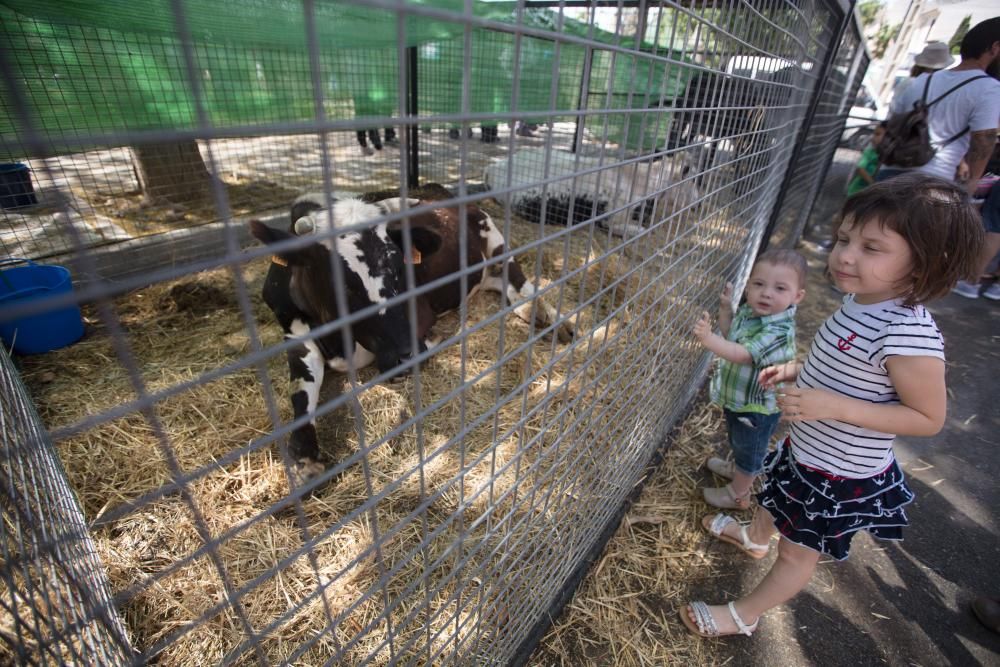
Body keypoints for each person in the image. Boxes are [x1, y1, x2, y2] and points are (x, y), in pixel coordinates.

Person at [681, 173, 984, 638]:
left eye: (871, 247)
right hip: (808, 448)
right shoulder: (860, 300)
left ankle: (743, 615)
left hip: (838, 473)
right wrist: (797, 371)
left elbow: (928, 418)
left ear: (923, 262)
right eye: (844, 239)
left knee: (798, 553)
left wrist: (834, 406)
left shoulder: (908, 334)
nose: (844, 254)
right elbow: (845, 365)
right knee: (776, 498)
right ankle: (753, 537)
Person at [692, 250, 806, 511]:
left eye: (780, 288)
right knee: (738, 440)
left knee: (750, 451)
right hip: (739, 400)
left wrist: (709, 340)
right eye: (759, 284)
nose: (766, 293)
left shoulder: (777, 330)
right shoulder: (750, 312)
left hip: (757, 409)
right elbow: (732, 335)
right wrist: (725, 309)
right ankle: (737, 468)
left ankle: (738, 494)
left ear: (797, 296)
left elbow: (743, 354)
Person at [877, 18, 1000, 191]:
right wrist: (971, 185)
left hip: (888, 173)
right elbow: (983, 141)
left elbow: (892, 123)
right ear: (995, 48)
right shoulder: (990, 88)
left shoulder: (920, 81)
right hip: (928, 184)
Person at [846, 122, 887, 198]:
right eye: (874, 134)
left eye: (877, 134)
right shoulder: (870, 152)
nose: (872, 137)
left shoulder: (887, 156)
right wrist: (872, 184)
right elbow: (860, 168)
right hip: (857, 192)